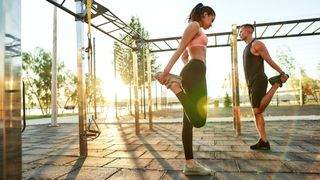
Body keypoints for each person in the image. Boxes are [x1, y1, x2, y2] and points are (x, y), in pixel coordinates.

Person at [155, 3, 215, 176]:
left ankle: (190, 164)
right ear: (205, 14)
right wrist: (165, 74)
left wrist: (186, 64)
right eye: (212, 19)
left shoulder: (198, 30)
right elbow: (180, 49)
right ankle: (175, 87)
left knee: (188, 122)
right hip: (195, 71)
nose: (212, 24)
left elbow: (185, 55)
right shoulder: (195, 26)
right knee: (199, 120)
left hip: (194, 70)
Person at [239, 24, 289, 150]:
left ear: (248, 30)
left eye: (241, 31)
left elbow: (269, 60)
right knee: (256, 113)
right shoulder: (246, 48)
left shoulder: (257, 44)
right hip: (251, 83)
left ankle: (276, 84)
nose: (239, 33)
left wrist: (281, 73)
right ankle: (264, 140)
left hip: (258, 80)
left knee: (257, 110)